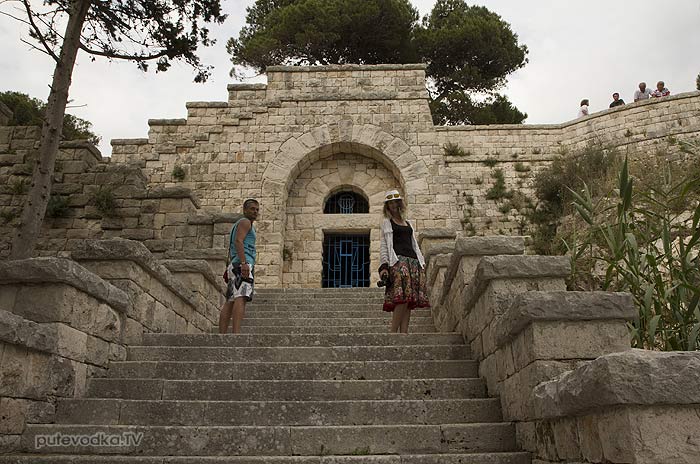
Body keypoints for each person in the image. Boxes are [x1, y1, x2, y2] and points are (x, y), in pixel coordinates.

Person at [378, 189, 429, 333]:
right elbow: (384, 246)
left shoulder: (408, 223)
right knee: (401, 298)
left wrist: (421, 262)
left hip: (413, 262)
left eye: (395, 202)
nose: (393, 205)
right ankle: (393, 332)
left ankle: (404, 333)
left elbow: (414, 244)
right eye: (390, 203)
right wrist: (384, 266)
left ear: (400, 204)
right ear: (387, 206)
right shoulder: (387, 223)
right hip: (398, 262)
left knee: (409, 300)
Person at [219, 198, 259, 334]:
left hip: (235, 264)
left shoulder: (238, 224)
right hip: (243, 264)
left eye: (257, 209)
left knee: (230, 300)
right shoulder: (245, 222)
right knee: (241, 298)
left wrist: (230, 265)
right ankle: (236, 335)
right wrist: (244, 263)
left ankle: (222, 335)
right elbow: (238, 241)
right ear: (244, 210)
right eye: (252, 209)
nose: (255, 212)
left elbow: (232, 246)